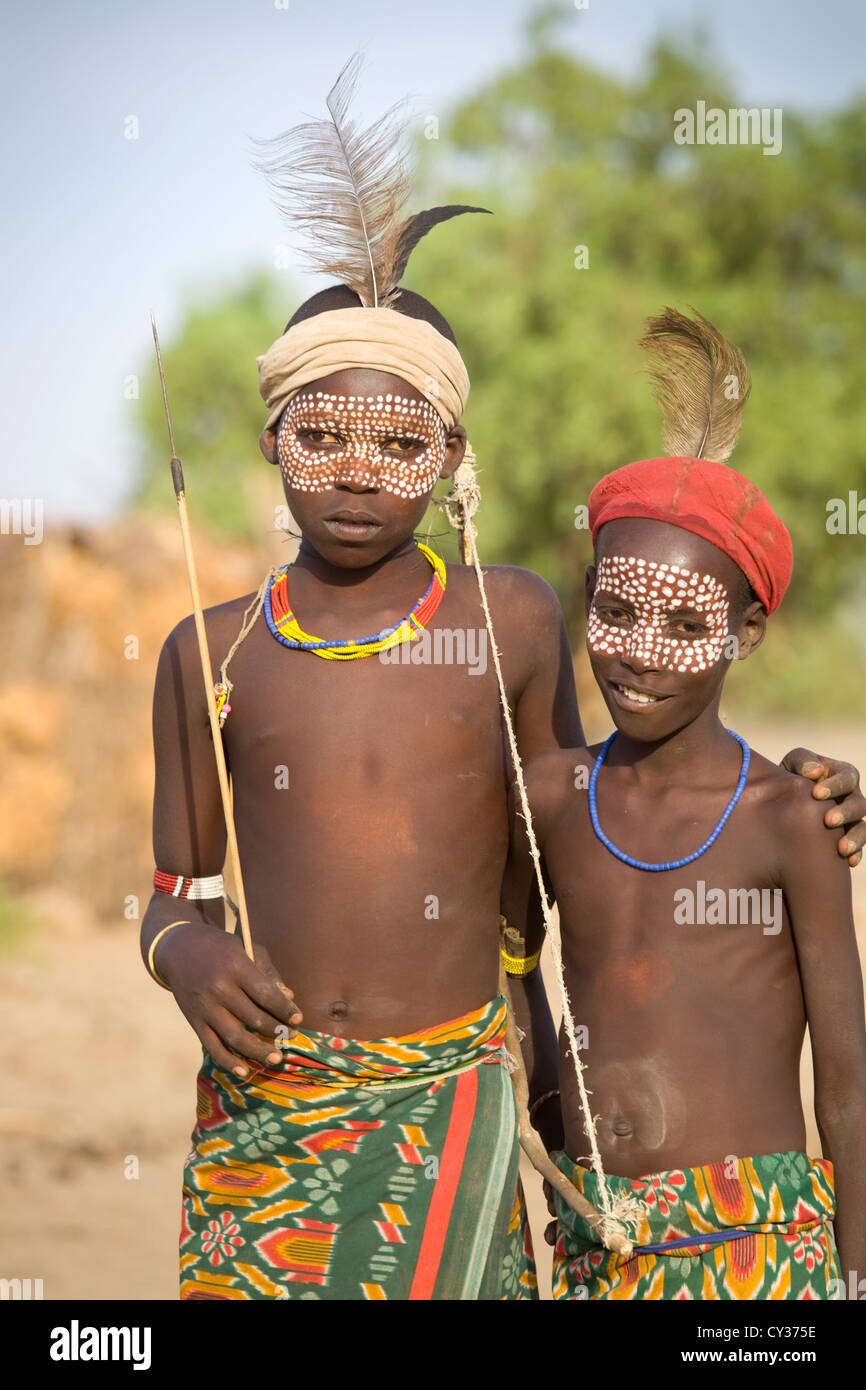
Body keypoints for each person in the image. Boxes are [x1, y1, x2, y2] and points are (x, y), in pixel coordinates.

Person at [142, 56, 866, 1300]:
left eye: (398, 442)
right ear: (269, 442)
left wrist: (811, 788)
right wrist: (183, 956)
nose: (356, 475)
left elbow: (570, 830)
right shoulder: (209, 653)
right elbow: (169, 889)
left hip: (457, 1112)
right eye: (318, 438)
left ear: (452, 457)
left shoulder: (514, 619)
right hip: (267, 1118)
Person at [504, 309, 866, 1300]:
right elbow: (507, 971)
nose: (636, 652)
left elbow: (844, 1078)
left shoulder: (790, 818)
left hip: (755, 1242)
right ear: (584, 596)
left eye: (683, 622)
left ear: (743, 632)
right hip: (594, 1230)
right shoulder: (549, 799)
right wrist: (551, 1120)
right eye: (614, 610)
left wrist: (854, 1277)